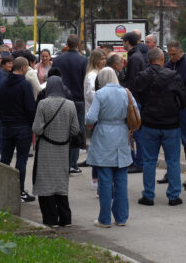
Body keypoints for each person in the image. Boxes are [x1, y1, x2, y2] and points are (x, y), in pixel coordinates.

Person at [136, 47, 186, 207]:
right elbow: (184, 99)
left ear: (148, 60)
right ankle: (173, 196)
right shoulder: (173, 76)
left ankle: (148, 195)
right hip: (171, 124)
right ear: (162, 59)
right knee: (172, 161)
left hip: (149, 124)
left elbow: (137, 97)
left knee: (149, 160)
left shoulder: (142, 77)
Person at [85, 67, 134, 228]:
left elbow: (91, 118)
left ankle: (104, 219)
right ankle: (121, 217)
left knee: (105, 180)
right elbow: (135, 113)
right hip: (122, 135)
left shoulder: (100, 94)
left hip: (104, 137)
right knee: (121, 179)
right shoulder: (126, 92)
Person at [32, 76, 80, 227]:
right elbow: (75, 129)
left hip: (46, 148)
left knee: (45, 183)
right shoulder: (70, 105)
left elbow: (37, 128)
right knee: (60, 183)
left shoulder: (43, 104)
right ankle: (66, 219)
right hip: (63, 150)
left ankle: (50, 219)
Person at [0, 57, 37, 203]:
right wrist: (32, 123)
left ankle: (2, 189)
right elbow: (30, 107)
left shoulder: (1, 83)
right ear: (24, 68)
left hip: (6, 126)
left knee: (5, 159)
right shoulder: (24, 85)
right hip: (22, 127)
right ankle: (19, 191)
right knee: (21, 159)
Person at [163, 40, 186, 190]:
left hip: (183, 108)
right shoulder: (168, 66)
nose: (172, 57)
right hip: (170, 108)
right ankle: (171, 171)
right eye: (170, 55)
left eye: (174, 54)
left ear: (181, 52)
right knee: (169, 142)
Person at [51, 34, 88, 174]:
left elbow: (53, 77)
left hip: (60, 98)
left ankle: (61, 162)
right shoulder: (82, 60)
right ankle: (73, 164)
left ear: (66, 44)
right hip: (78, 99)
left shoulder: (58, 60)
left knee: (61, 130)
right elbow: (85, 79)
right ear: (78, 45)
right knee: (76, 131)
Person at [121, 31, 146, 174]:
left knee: (136, 131)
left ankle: (139, 162)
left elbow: (134, 80)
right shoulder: (135, 56)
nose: (122, 44)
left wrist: (128, 93)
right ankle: (137, 161)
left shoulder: (135, 58)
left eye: (123, 41)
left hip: (134, 98)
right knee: (135, 132)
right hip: (135, 97)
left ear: (128, 42)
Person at [83, 49, 107, 188]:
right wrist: (103, 94)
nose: (103, 61)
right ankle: (95, 178)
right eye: (101, 59)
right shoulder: (92, 75)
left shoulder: (102, 73)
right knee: (97, 148)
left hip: (102, 115)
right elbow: (90, 94)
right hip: (95, 116)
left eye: (104, 58)